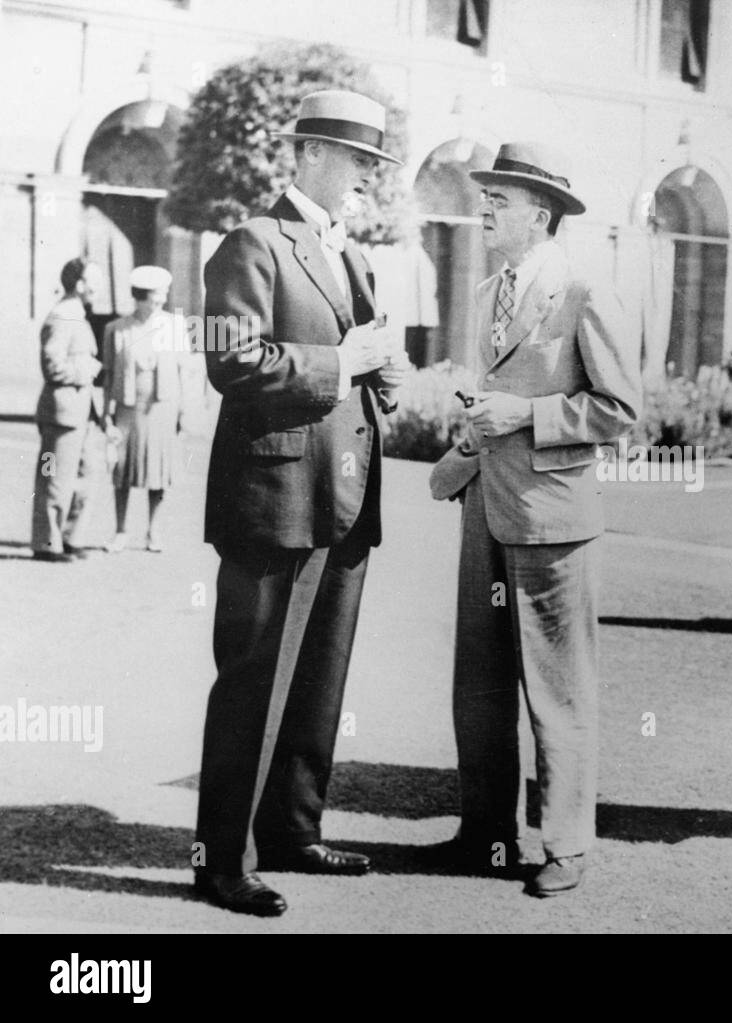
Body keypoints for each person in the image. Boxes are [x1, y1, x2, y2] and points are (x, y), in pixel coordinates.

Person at [194, 90, 409, 916]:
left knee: (318, 676)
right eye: (359, 162)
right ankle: (222, 860)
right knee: (254, 679)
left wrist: (380, 370)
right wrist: (343, 359)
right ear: (312, 153)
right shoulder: (252, 242)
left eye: (372, 166)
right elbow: (232, 361)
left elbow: (356, 360)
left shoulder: (346, 253)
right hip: (274, 495)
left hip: (344, 496)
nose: (366, 179)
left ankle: (290, 828)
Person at [428, 142, 640, 896]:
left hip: (554, 517)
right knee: (478, 684)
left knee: (559, 686)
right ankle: (483, 832)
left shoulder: (585, 290)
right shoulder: (487, 292)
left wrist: (526, 412)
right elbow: (490, 398)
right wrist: (471, 432)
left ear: (540, 214)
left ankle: (565, 843)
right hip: (483, 508)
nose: (484, 210)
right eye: (484, 197)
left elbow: (620, 411)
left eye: (500, 201)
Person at [103, 266, 184, 554]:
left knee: (157, 472)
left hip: (162, 408)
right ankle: (120, 531)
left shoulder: (175, 327)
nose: (160, 301)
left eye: (163, 295)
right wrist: (106, 415)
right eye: (154, 296)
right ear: (139, 297)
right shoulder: (116, 329)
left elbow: (183, 372)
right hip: (127, 408)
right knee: (122, 471)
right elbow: (109, 375)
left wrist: (182, 411)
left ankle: (153, 532)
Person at [31, 258, 106, 563]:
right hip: (62, 412)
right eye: (94, 282)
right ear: (79, 285)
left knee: (86, 475)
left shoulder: (77, 315)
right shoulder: (62, 316)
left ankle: (70, 537)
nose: (98, 288)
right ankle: (47, 543)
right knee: (54, 477)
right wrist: (87, 369)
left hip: (81, 411)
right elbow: (53, 366)